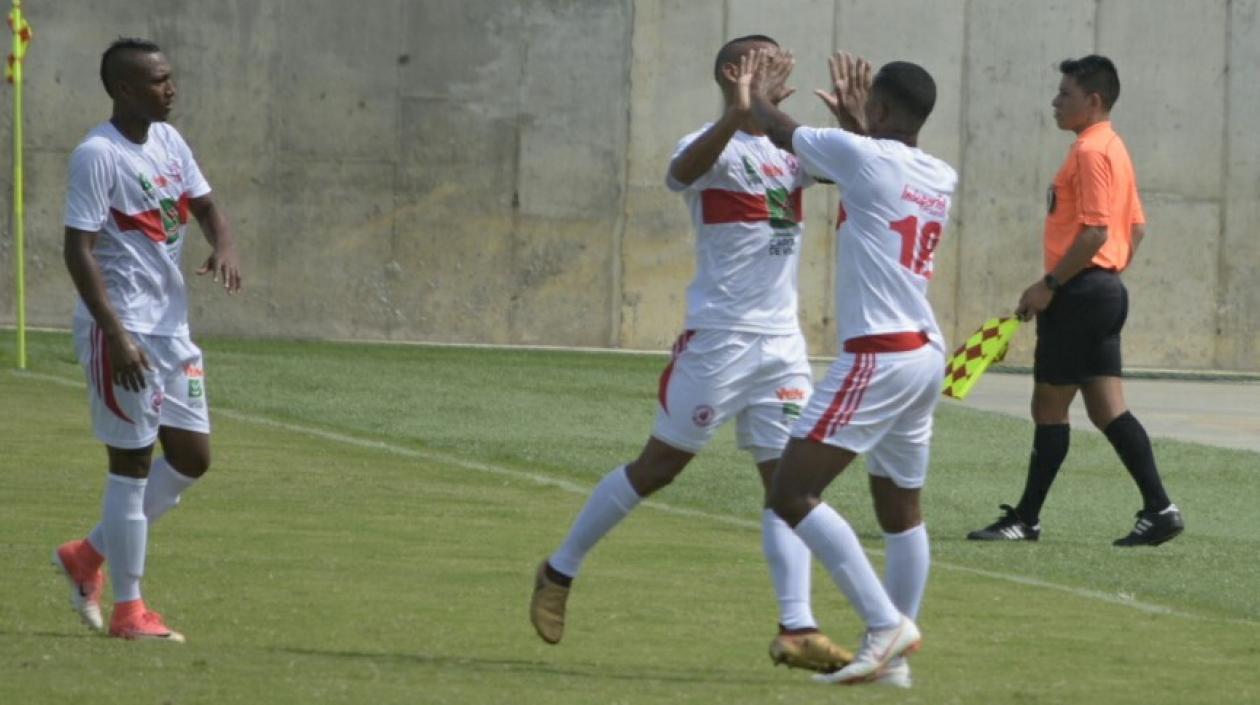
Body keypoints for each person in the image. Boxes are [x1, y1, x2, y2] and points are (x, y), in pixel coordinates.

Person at [529, 35, 852, 673]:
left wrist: (850, 124)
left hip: (781, 347)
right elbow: (680, 174)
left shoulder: (792, 149)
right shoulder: (708, 145)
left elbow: (854, 172)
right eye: (765, 62)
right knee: (659, 467)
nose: (780, 69)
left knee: (789, 485)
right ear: (735, 73)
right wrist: (740, 111)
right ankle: (559, 570)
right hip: (719, 340)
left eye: (782, 62)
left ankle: (798, 626)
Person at [748, 49, 957, 687]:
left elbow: (780, 131)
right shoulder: (937, 172)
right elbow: (873, 167)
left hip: (881, 353)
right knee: (900, 509)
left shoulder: (863, 156)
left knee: (789, 491)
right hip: (924, 353)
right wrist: (857, 127)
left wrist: (748, 89)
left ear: (883, 108)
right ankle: (892, 666)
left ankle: (883, 626)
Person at [51, 37, 242, 642]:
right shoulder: (96, 156)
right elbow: (76, 251)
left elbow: (206, 204)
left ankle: (87, 555)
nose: (171, 88)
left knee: (191, 457)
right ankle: (131, 612)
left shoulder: (169, 140)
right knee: (131, 465)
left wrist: (225, 244)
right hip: (123, 330)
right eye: (158, 81)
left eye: (170, 77)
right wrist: (115, 333)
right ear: (125, 90)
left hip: (170, 328)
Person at [966, 55, 1183, 547]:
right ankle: (1160, 508)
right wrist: (1104, 277)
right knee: (1108, 409)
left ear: (1094, 100)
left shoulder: (1089, 152)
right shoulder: (1115, 148)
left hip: (1080, 293)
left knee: (1049, 406)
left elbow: (1095, 231)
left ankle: (1026, 519)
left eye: (1064, 94)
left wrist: (1051, 285)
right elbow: (1137, 228)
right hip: (1103, 291)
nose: (1055, 102)